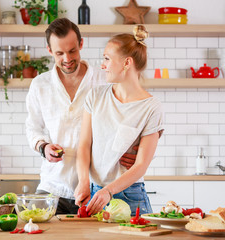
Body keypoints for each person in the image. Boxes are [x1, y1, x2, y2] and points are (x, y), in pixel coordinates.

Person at [25, 18, 137, 214]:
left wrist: (136, 147)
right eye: (59, 53)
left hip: (98, 187)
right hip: (54, 185)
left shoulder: (105, 79)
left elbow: (138, 111)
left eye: (72, 51)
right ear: (49, 51)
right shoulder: (40, 85)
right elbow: (32, 128)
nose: (67, 59)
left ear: (81, 44)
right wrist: (43, 147)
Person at [74, 25, 164, 216]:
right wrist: (83, 181)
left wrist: (109, 191)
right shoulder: (95, 96)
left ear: (126, 63)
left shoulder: (151, 107)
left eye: (107, 58)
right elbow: (84, 145)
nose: (102, 65)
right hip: (95, 193)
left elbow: (141, 165)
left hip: (131, 196)